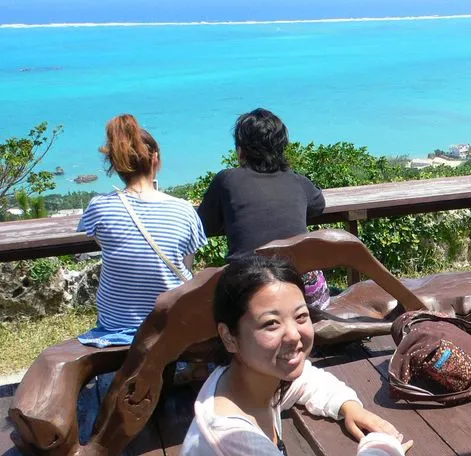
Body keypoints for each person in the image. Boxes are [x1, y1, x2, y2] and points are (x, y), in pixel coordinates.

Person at [182, 255, 413, 455]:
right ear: (229, 337)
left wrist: (349, 406)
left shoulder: (242, 381)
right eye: (271, 323)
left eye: (301, 316)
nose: (293, 335)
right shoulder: (233, 439)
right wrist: (383, 449)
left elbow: (305, 381)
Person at [77, 114, 207, 347]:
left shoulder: (99, 207)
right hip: (172, 321)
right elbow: (185, 267)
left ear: (116, 164)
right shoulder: (184, 209)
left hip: (117, 323)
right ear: (155, 159)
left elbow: (106, 246)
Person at [198, 108, 329, 309]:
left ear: (241, 151)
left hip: (252, 294)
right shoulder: (298, 182)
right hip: (306, 296)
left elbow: (203, 224)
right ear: (282, 148)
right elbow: (318, 206)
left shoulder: (227, 181)